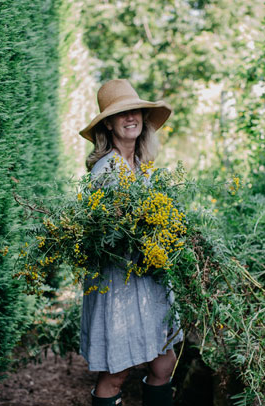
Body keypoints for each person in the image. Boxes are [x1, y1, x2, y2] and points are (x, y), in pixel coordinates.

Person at [79, 79, 183, 406]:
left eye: (134, 111)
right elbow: (109, 231)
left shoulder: (144, 169)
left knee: (164, 363)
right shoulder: (105, 170)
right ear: (107, 124)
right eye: (120, 114)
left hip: (149, 276)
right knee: (116, 371)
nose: (130, 118)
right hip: (118, 279)